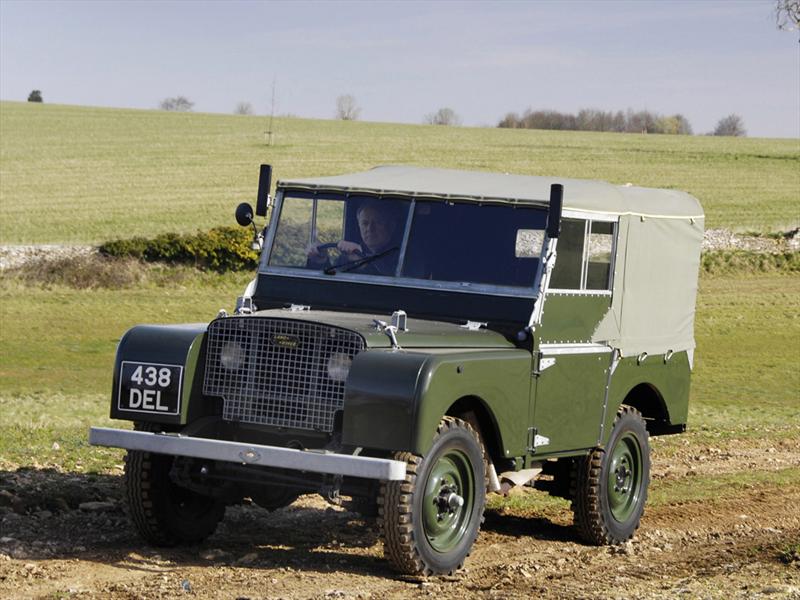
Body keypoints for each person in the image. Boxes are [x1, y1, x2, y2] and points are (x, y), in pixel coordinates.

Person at [306, 201, 400, 275]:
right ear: (359, 226)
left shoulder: (400, 255)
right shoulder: (348, 257)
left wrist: (363, 261)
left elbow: (391, 282)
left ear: (391, 226)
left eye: (378, 222)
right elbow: (332, 282)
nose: (370, 228)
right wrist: (322, 261)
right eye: (365, 223)